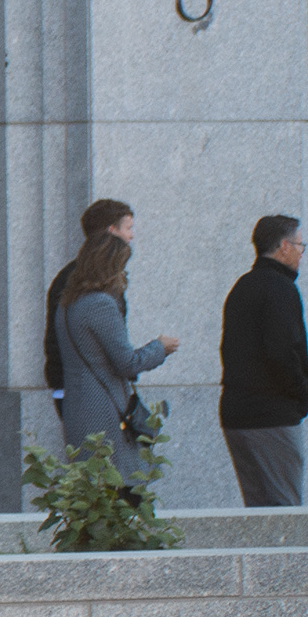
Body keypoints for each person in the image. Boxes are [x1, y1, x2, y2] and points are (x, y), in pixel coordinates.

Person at [54, 231, 176, 484]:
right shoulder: (100, 304)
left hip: (76, 407)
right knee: (120, 489)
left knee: (90, 490)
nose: (125, 275)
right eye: (122, 267)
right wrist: (159, 347)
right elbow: (127, 363)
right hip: (104, 411)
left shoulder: (67, 304)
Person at [219, 215, 308, 509]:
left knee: (259, 515)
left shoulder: (243, 286)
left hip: (237, 413)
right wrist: (302, 394)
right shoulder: (281, 288)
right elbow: (282, 353)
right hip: (271, 415)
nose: (302, 253)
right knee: (284, 513)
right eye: (301, 245)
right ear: (284, 247)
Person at [43, 195, 135, 407]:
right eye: (128, 228)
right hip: (87, 389)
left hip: (81, 387)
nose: (131, 236)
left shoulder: (83, 276)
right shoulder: (88, 280)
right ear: (112, 230)